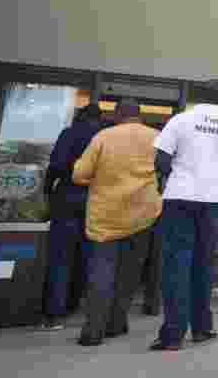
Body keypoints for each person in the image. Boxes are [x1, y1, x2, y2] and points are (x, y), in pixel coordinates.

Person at [151, 80, 218, 350]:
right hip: (213, 200)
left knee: (176, 265)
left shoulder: (181, 120)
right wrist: (215, 174)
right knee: (203, 264)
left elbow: (160, 159)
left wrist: (181, 174)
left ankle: (172, 335)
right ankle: (202, 328)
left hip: (180, 198)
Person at [71, 99, 162, 345]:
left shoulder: (104, 137)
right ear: (139, 115)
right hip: (143, 215)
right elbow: (167, 171)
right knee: (129, 273)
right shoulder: (157, 137)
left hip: (106, 217)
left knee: (102, 272)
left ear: (117, 114)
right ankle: (116, 323)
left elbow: (80, 174)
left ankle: (93, 330)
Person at [40, 103, 103, 331]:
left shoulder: (70, 133)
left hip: (67, 198)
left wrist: (47, 191)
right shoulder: (104, 137)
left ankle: (55, 315)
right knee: (89, 258)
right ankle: (77, 307)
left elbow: (55, 165)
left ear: (80, 116)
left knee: (61, 257)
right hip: (95, 202)